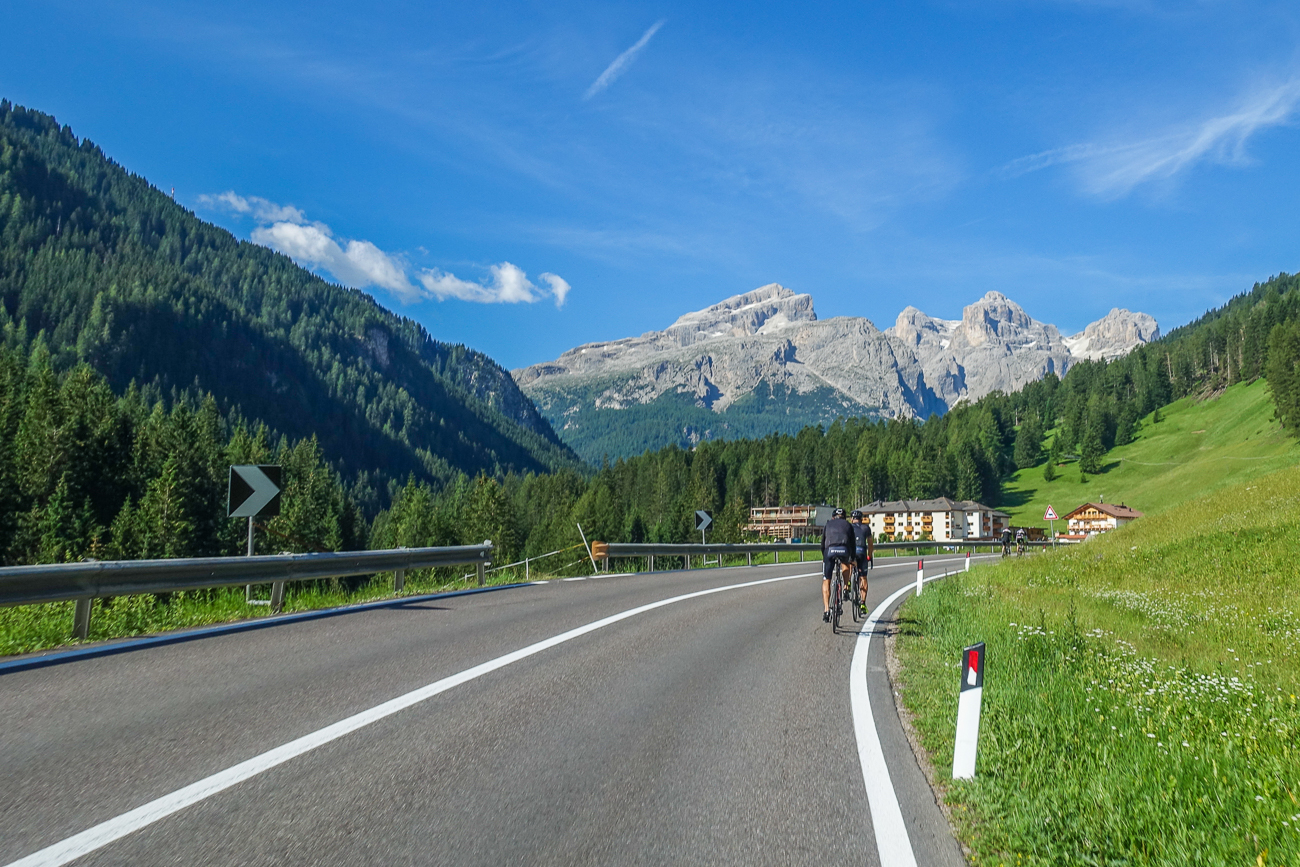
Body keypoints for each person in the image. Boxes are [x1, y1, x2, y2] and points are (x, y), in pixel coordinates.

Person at [821, 507, 856, 622]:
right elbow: (852, 544)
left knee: (827, 580)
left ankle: (826, 610)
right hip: (844, 549)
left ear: (833, 517)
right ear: (845, 517)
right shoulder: (848, 525)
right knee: (845, 564)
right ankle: (846, 587)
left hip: (829, 551)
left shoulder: (828, 524)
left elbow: (823, 543)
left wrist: (824, 557)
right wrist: (853, 558)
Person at [849, 510, 872, 616]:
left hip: (852, 552)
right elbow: (870, 544)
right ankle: (863, 602)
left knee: (849, 564)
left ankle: (848, 583)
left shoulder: (849, 527)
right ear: (861, 519)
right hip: (862, 552)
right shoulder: (866, 528)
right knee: (863, 578)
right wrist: (870, 555)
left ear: (851, 519)